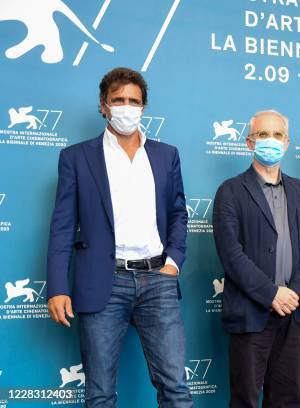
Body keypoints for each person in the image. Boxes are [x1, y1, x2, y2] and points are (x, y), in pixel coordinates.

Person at [46, 67, 192, 407]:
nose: (126, 107)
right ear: (103, 105)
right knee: (99, 392)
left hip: (159, 280)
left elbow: (178, 213)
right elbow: (63, 226)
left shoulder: (165, 154)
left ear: (143, 107)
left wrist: (172, 263)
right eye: (118, 100)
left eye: (134, 101)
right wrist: (57, 287)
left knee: (176, 387)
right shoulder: (76, 158)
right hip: (103, 282)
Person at [212, 110, 300, 408]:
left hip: (292, 314)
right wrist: (270, 293)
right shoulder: (230, 191)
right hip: (251, 313)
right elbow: (231, 254)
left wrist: (296, 293)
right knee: (246, 399)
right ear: (249, 143)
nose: (270, 141)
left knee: (286, 399)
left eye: (277, 135)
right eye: (262, 135)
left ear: (287, 143)